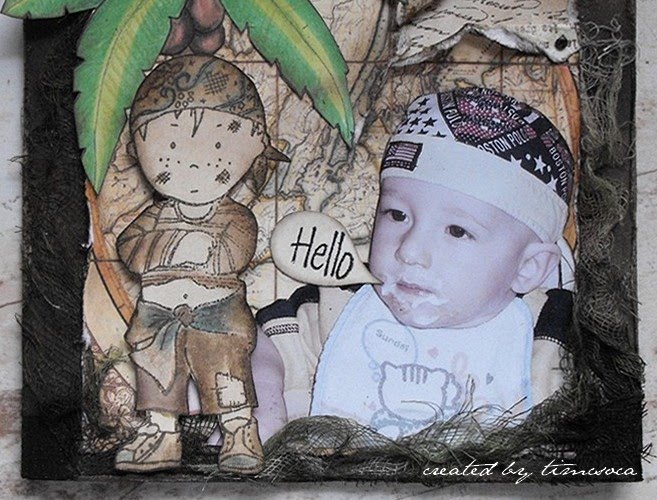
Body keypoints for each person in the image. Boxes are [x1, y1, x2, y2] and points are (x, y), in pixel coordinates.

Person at [253, 87, 575, 440]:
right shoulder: (337, 305)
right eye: (397, 215)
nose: (410, 251)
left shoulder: (548, 335)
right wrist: (265, 394)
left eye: (457, 231)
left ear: (528, 268)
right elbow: (255, 344)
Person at [114, 55, 287, 473]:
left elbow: (238, 250)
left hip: (217, 316)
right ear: (138, 148)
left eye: (218, 149)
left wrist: (204, 250)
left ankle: (239, 431)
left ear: (254, 146)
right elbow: (128, 247)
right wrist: (175, 244)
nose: (193, 164)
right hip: (158, 316)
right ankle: (162, 434)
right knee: (157, 377)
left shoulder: (236, 217)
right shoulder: (154, 216)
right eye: (169, 149)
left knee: (227, 377)